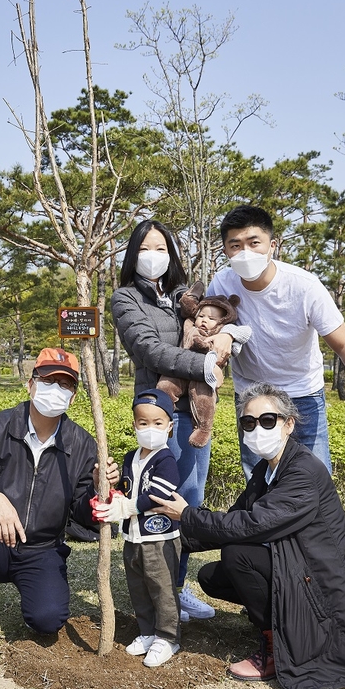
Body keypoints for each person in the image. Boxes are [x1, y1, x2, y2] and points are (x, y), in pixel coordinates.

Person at [149, 383, 345, 689]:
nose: (257, 429)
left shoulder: (302, 472)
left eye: (268, 420)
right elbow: (233, 517)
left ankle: (275, 648)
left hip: (326, 594)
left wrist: (187, 515)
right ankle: (277, 620)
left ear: (288, 423)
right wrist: (169, 534)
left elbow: (250, 525)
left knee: (238, 555)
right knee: (211, 577)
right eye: (248, 423)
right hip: (298, 571)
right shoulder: (269, 470)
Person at [0, 347, 119, 669]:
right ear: (30, 384)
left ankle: (35, 597)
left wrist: (100, 488)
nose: (55, 389)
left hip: (41, 549)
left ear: (74, 396)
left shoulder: (82, 444)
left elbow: (84, 516)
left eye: (65, 384)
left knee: (48, 620)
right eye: (48, 379)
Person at [111, 219, 244, 623]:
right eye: (147, 248)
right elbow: (149, 350)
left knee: (189, 499)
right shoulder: (125, 298)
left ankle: (176, 588)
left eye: (162, 248)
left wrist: (228, 337)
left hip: (195, 413)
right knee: (154, 496)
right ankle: (156, 591)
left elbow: (223, 324)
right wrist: (205, 363)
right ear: (133, 254)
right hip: (158, 409)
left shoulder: (182, 297)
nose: (155, 256)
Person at [206, 204, 345, 477]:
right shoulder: (221, 284)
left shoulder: (304, 286)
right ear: (225, 251)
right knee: (260, 479)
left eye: (254, 243)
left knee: (315, 478)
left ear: (272, 245)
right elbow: (208, 328)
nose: (245, 252)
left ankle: (318, 522)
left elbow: (343, 343)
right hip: (251, 396)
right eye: (235, 245)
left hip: (302, 393)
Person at [95, 389, 182, 667]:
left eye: (158, 423)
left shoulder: (167, 460)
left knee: (162, 587)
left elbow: (157, 495)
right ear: (134, 424)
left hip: (160, 538)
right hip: (132, 537)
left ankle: (167, 637)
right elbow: (126, 487)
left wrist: (128, 508)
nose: (150, 429)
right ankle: (147, 631)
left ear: (169, 426)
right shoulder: (132, 456)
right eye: (143, 423)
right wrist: (112, 485)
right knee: (138, 587)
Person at [157, 289, 250, 448]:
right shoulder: (189, 325)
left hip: (205, 377)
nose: (204, 320)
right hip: (182, 368)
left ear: (222, 321)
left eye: (211, 318)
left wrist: (228, 335)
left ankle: (203, 429)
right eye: (201, 316)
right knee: (165, 386)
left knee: (204, 401)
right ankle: (160, 417)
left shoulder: (222, 332)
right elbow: (186, 305)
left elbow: (246, 332)